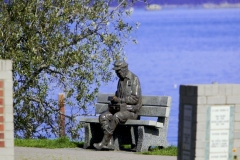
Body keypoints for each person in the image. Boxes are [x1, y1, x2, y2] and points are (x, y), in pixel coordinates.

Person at [93, 60, 142, 150]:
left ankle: (104, 142)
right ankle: (110, 143)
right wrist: (114, 99)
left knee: (116, 117)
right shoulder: (120, 81)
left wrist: (120, 100)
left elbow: (135, 99)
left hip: (131, 111)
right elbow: (118, 96)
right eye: (116, 72)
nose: (117, 74)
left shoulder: (134, 79)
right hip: (120, 110)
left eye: (118, 71)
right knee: (103, 117)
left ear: (124, 69)